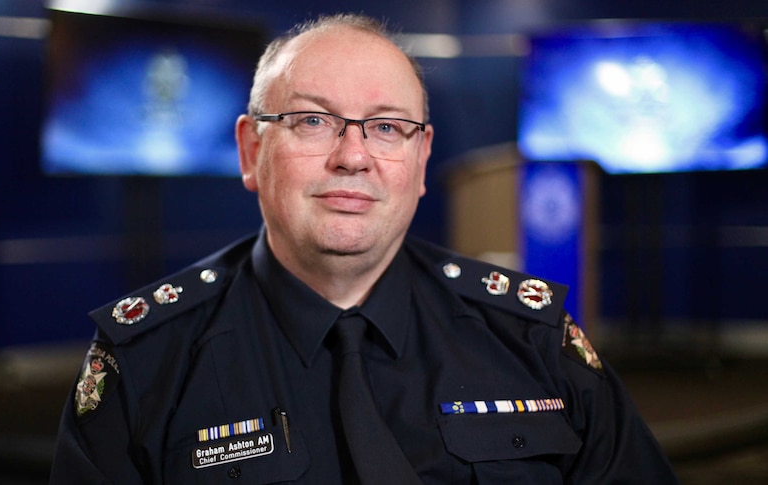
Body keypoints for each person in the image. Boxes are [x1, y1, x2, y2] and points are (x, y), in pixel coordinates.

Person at [50, 13, 678, 484]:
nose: (353, 157)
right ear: (250, 151)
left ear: (421, 158)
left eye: (386, 128)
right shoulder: (146, 361)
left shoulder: (529, 337)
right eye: (312, 121)